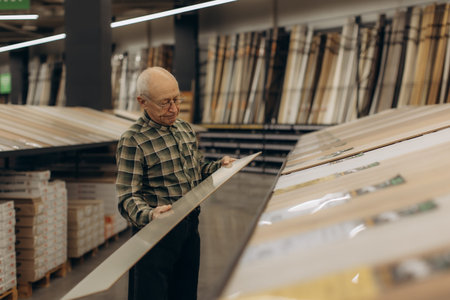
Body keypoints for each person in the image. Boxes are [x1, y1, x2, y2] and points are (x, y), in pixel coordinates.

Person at [115, 66, 235, 300]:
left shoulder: (184, 129)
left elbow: (197, 171)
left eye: (176, 99)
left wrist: (220, 166)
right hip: (155, 235)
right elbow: (127, 197)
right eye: (165, 103)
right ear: (143, 102)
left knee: (185, 292)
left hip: (189, 228)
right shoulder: (133, 140)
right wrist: (150, 215)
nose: (174, 109)